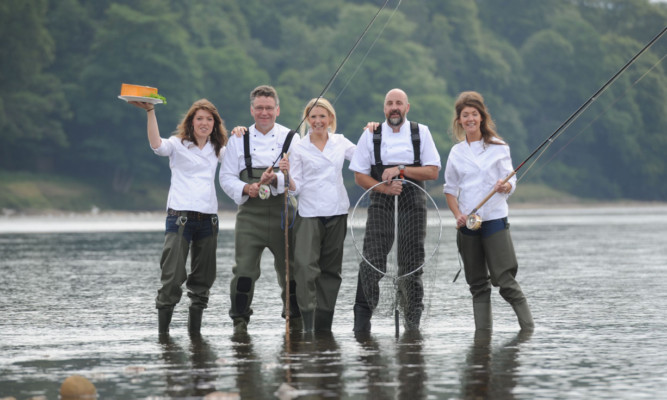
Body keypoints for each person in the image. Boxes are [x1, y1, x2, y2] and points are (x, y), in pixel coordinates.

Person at [129, 98, 228, 335]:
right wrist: (151, 111)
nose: (204, 123)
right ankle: (163, 336)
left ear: (215, 124)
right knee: (172, 277)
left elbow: (242, 158)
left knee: (203, 280)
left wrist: (241, 133)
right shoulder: (177, 143)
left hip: (209, 220)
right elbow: (156, 145)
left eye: (209, 119)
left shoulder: (219, 149)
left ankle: (195, 336)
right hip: (180, 218)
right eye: (199, 118)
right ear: (191, 122)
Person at [348, 88, 441, 333]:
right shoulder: (371, 134)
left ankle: (413, 328)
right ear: (384, 108)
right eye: (390, 103)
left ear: (407, 107)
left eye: (399, 103)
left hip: (414, 203)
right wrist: (384, 188)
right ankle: (361, 327)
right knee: (372, 261)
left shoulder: (422, 132)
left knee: (412, 264)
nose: (394, 107)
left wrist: (401, 169)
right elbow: (359, 176)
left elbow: (432, 171)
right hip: (381, 202)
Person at [443, 91, 534, 331]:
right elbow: (450, 190)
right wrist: (457, 215)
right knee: (477, 284)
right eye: (465, 115)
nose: (470, 119)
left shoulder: (499, 147)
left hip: (494, 220)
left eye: (474, 114)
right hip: (468, 224)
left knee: (504, 280)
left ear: (482, 117)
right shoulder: (456, 152)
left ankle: (528, 329)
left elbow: (510, 182)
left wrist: (506, 186)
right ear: (459, 121)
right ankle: (483, 337)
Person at [219, 85, 301, 334]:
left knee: (291, 274)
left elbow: (298, 185)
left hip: (283, 215)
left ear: (277, 110)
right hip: (249, 216)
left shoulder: (292, 138)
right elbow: (225, 177)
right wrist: (247, 189)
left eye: (269, 108)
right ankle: (240, 324)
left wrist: (275, 179)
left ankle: (294, 324)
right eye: (259, 108)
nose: (264, 113)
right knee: (243, 273)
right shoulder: (237, 139)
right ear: (251, 110)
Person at [288, 98, 356, 333]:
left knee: (331, 271)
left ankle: (324, 324)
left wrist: (371, 133)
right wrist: (286, 175)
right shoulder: (298, 146)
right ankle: (308, 323)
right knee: (305, 268)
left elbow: (363, 158)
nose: (317, 121)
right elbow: (295, 188)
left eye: (322, 116)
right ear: (307, 120)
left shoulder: (340, 142)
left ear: (330, 119)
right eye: (313, 117)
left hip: (337, 212)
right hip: (309, 213)